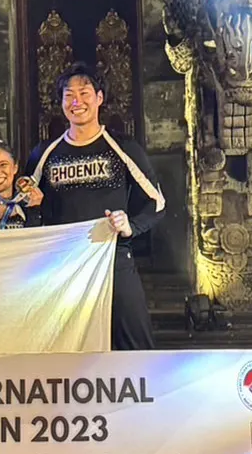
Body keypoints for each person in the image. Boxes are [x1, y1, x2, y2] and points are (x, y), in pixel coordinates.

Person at [26, 65, 165, 350]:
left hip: (112, 258)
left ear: (99, 98)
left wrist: (130, 226)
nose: (77, 102)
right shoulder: (44, 154)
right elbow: (26, 207)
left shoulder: (122, 147)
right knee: (65, 346)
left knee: (135, 345)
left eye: (84, 93)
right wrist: (34, 208)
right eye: (69, 95)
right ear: (61, 102)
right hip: (63, 263)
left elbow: (157, 202)